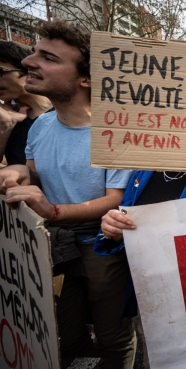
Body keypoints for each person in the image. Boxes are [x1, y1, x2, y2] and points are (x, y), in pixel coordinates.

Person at [0, 21, 136, 366]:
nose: (29, 62)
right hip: (53, 246)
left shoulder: (115, 131)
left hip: (103, 249)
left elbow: (114, 199)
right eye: (33, 52)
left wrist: (53, 211)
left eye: (47, 57)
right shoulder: (40, 125)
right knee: (62, 334)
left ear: (85, 78)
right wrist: (15, 173)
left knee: (111, 336)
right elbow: (35, 173)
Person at [0, 41, 52, 165]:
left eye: (0, 71)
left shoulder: (66, 113)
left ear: (27, 70)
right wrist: (5, 128)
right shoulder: (5, 118)